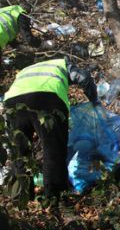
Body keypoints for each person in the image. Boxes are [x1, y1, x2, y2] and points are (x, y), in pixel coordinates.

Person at [4, 57, 99, 199]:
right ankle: (55, 198)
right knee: (53, 151)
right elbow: (83, 77)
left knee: (20, 152)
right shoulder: (62, 64)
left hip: (12, 103)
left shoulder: (26, 69)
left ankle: (21, 198)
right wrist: (94, 101)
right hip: (47, 99)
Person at [0, 2, 41, 67]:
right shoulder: (21, 15)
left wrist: (19, 47)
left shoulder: (9, 9)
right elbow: (29, 39)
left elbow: (8, 32)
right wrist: (41, 44)